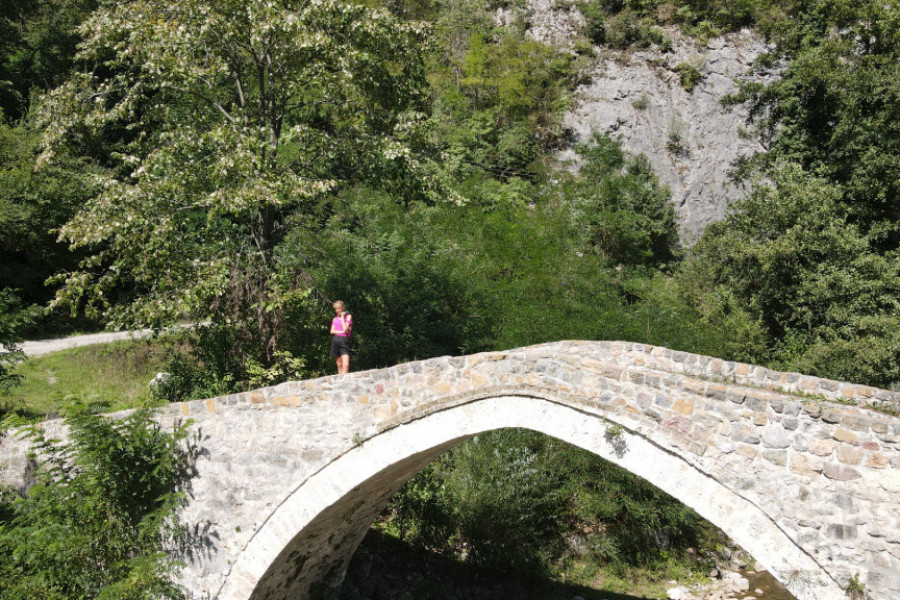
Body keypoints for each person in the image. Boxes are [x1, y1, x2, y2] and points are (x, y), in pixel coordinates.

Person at [329, 300, 352, 374]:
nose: (337, 311)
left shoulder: (348, 316)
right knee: (339, 365)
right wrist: (342, 331)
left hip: (344, 340)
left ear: (342, 308)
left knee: (346, 364)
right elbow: (332, 331)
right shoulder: (334, 319)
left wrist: (342, 318)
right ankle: (340, 381)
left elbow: (346, 328)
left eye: (338, 308)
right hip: (335, 340)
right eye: (335, 309)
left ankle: (345, 380)